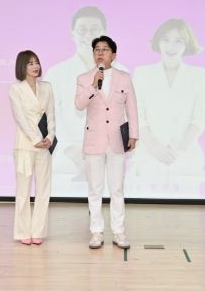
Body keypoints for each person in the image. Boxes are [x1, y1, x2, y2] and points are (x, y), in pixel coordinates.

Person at [44, 7, 127, 186]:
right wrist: (70, 149)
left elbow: (125, 114)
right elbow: (49, 115)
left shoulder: (122, 72)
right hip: (67, 160)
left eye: (94, 29)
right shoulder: (56, 72)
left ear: (104, 32)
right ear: (72, 34)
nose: (88, 35)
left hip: (108, 153)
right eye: (82, 30)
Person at [128, 18, 205, 198]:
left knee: (186, 211)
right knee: (146, 209)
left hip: (185, 155)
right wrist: (154, 148)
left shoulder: (199, 75)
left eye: (178, 41)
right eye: (165, 39)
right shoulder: (142, 73)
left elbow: (200, 117)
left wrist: (178, 149)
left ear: (187, 44)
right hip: (148, 155)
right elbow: (136, 114)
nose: (171, 46)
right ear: (158, 42)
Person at [74, 36, 138, 250]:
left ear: (114, 54)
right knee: (95, 188)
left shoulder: (124, 77)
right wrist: (93, 86)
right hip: (94, 140)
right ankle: (96, 232)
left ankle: (119, 232)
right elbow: (79, 105)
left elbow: (132, 108)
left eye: (105, 49)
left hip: (117, 140)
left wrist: (134, 134)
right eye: (97, 50)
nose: (100, 53)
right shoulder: (84, 78)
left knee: (117, 188)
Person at [8, 50, 56, 245]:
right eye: (30, 63)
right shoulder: (15, 89)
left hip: (45, 145)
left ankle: (38, 231)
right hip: (25, 145)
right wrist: (36, 138)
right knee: (23, 190)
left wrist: (49, 137)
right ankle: (23, 232)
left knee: (43, 189)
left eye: (36, 62)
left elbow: (51, 115)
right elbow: (20, 118)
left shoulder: (47, 87)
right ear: (22, 66)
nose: (35, 66)